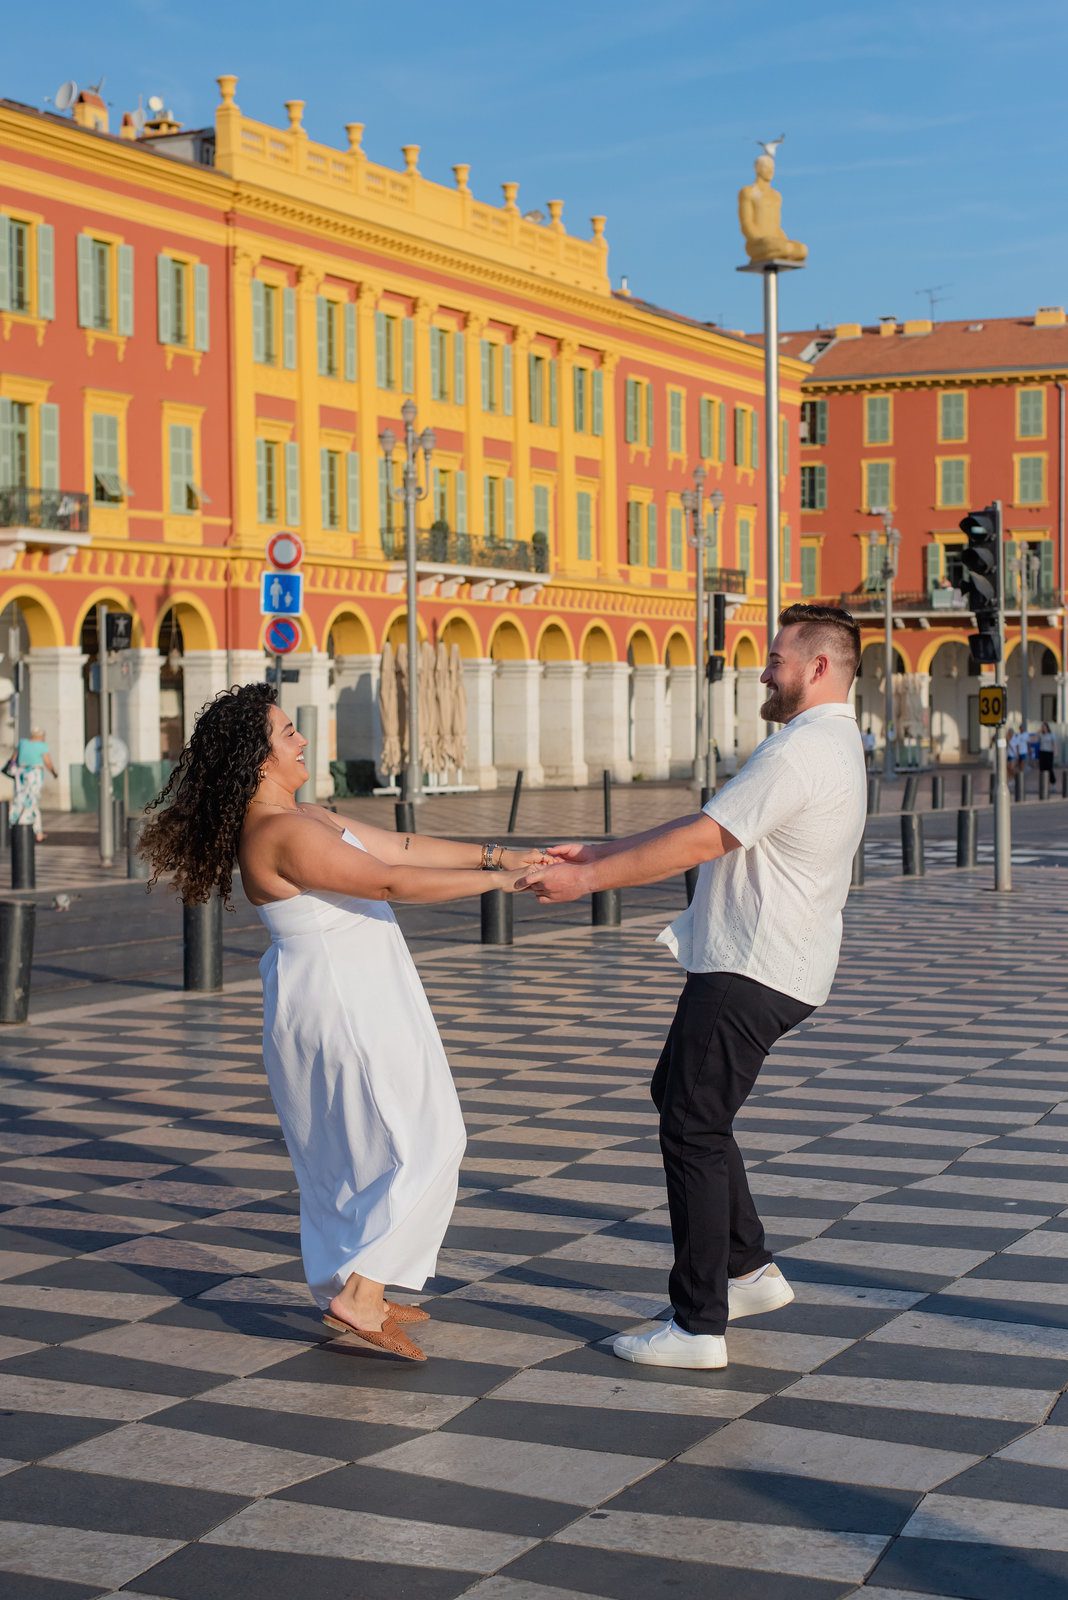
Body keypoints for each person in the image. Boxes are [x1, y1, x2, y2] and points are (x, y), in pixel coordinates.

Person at [140, 682, 545, 1363]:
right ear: (259, 759)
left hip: (358, 990)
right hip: (342, 999)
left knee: (354, 1152)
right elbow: (389, 882)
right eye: (285, 732)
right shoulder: (281, 833)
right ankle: (358, 1294)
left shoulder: (308, 816)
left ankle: (353, 1282)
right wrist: (501, 883)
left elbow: (404, 848)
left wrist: (496, 856)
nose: (300, 739)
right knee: (429, 1138)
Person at [520, 604, 866, 1371]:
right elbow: (716, 820)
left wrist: (586, 877)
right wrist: (608, 847)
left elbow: (704, 839)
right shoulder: (820, 743)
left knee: (693, 1127)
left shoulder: (802, 753)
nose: (764, 669)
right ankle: (748, 1271)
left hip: (753, 965)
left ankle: (699, 1325)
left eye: (777, 658)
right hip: (767, 961)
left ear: (817, 668)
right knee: (679, 1098)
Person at [9, 726, 57, 843]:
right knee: (32, 801)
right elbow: (48, 762)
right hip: (34, 774)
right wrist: (54, 773)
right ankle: (36, 831)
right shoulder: (41, 746)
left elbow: (13, 758)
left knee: (19, 799)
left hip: (20, 773)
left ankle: (13, 826)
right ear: (41, 736)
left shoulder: (23, 743)